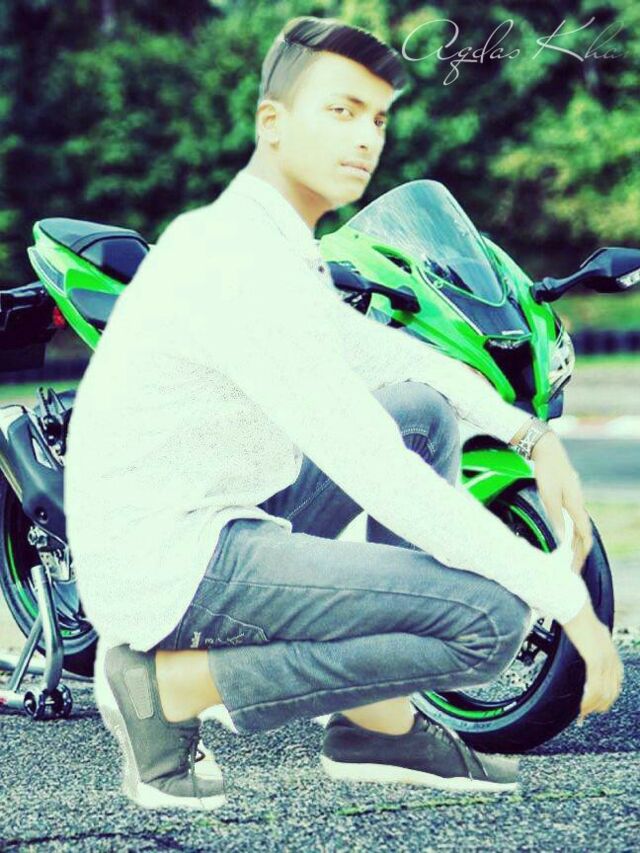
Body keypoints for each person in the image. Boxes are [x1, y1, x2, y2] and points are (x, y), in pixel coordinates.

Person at [64, 16, 623, 812]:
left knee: (421, 411)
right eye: (340, 111)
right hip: (175, 564)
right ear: (272, 122)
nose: (366, 138)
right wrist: (570, 605)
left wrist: (527, 432)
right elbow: (380, 474)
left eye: (377, 118)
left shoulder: (261, 235)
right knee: (490, 616)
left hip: (208, 515)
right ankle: (167, 686)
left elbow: (378, 353)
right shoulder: (239, 264)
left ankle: (377, 726)